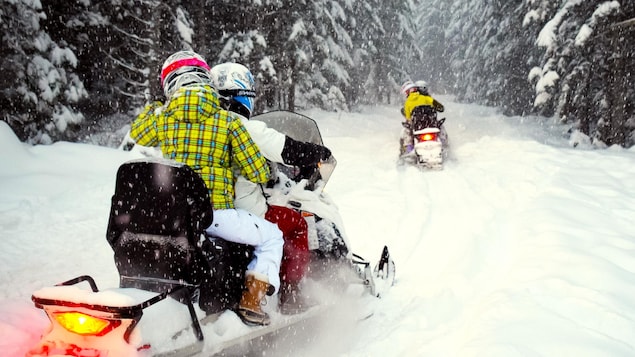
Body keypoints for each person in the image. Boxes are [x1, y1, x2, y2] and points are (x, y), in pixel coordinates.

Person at [129, 50, 283, 326]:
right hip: (215, 216)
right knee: (272, 236)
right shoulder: (229, 121)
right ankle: (252, 302)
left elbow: (138, 133)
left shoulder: (164, 118)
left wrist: (157, 107)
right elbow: (258, 171)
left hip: (176, 214)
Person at [209, 62, 332, 315]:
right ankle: (291, 294)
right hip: (243, 210)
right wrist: (318, 152)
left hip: (208, 210)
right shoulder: (244, 127)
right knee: (296, 224)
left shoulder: (204, 126)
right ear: (243, 97)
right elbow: (287, 150)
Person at [399, 80, 445, 154]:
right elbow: (440, 107)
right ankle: (444, 144)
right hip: (432, 126)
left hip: (418, 127)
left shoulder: (407, 103)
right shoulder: (426, 98)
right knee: (441, 127)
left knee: (406, 132)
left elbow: (408, 118)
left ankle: (408, 149)